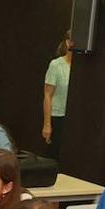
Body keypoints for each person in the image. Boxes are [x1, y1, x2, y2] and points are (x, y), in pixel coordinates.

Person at [42, 31, 72, 159]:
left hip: (73, 119)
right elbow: (47, 96)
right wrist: (47, 124)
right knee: (54, 156)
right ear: (68, 42)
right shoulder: (56, 65)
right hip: (58, 117)